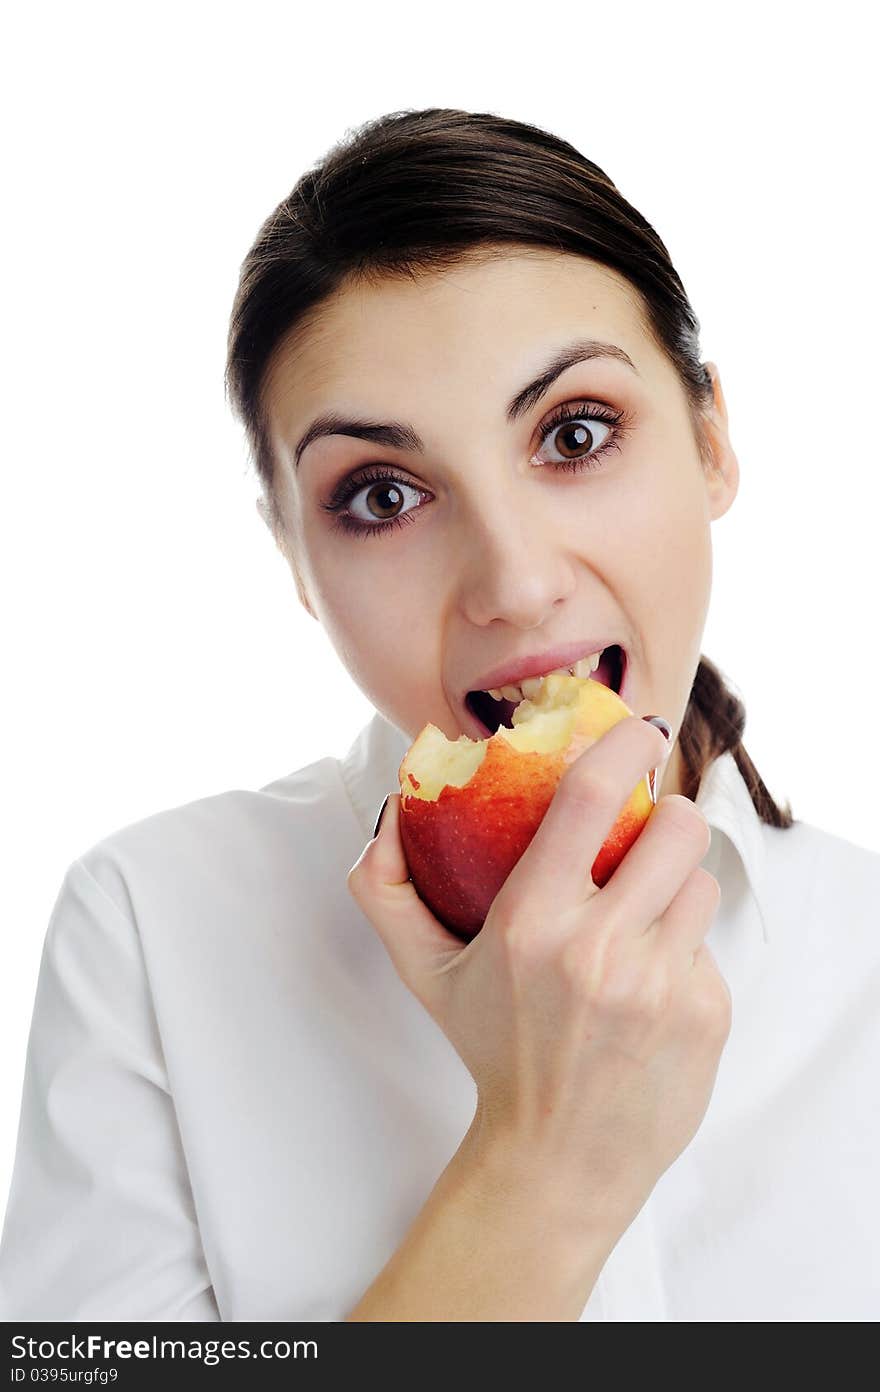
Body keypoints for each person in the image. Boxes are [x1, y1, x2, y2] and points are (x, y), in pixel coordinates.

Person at [1, 107, 878, 1322]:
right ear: (298, 567)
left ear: (712, 440)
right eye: (381, 494)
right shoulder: (153, 929)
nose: (516, 584)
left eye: (575, 433)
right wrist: (544, 1163)